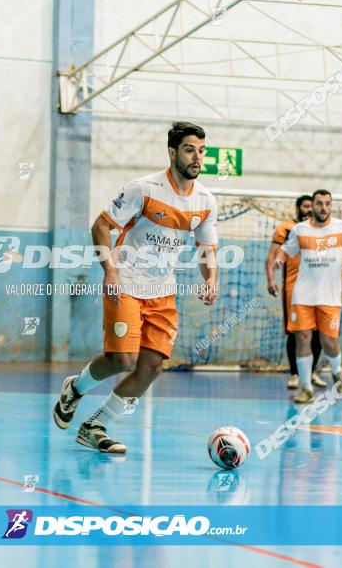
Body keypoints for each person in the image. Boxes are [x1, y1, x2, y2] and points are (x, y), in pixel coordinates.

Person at [52, 121, 219, 453]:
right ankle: (76, 388)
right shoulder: (143, 189)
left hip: (163, 291)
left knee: (152, 366)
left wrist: (211, 278)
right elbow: (100, 226)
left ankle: (94, 426)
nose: (197, 157)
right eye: (189, 150)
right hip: (125, 283)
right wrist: (109, 272)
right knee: (123, 359)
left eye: (201, 151)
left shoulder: (206, 201)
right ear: (172, 152)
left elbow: (206, 249)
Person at [275, 189, 342, 403]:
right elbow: (286, 250)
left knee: (329, 341)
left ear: (331, 206)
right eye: (319, 203)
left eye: (327, 204)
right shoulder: (300, 229)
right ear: (312, 206)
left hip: (330, 296)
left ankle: (336, 371)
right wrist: (279, 259)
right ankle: (306, 388)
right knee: (302, 338)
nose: (323, 208)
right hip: (303, 295)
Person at [266, 195, 324, 390]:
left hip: (318, 289)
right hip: (293, 288)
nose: (309, 209)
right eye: (305, 206)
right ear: (298, 208)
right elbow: (272, 257)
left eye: (311, 206)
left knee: (318, 332)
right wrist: (271, 279)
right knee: (295, 331)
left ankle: (312, 371)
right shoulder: (286, 229)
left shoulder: (321, 230)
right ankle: (294, 374)